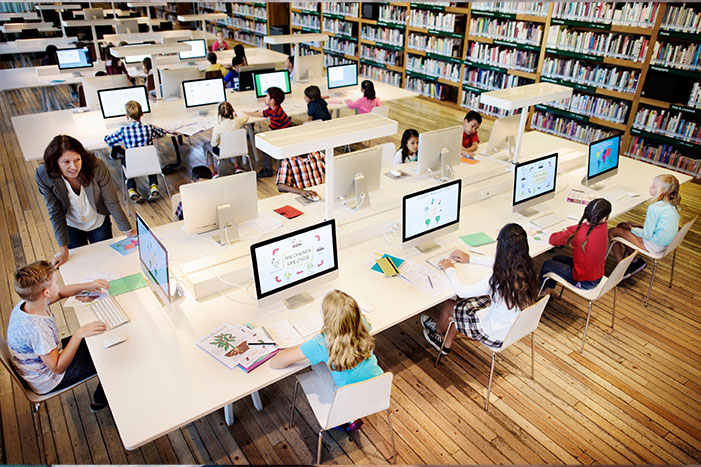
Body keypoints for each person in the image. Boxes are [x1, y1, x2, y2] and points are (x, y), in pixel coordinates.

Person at [270, 289, 382, 430]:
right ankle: (351, 416)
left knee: (317, 364)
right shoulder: (362, 325)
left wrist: (307, 345)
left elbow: (276, 363)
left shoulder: (322, 343)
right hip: (377, 390)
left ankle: (345, 420)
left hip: (346, 398)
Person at [421, 223, 539, 354]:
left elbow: (462, 291)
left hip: (493, 334)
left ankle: (438, 332)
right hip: (515, 327)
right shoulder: (528, 268)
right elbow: (502, 264)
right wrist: (471, 259)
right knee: (463, 304)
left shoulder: (498, 279)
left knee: (450, 305)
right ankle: (446, 344)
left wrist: (450, 269)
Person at [7, 260, 109, 411]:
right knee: (108, 358)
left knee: (99, 341)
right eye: (55, 281)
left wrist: (88, 285)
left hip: (45, 359)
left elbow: (60, 293)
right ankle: (99, 401)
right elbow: (57, 367)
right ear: (46, 293)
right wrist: (78, 334)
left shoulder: (29, 304)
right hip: (49, 378)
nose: (58, 284)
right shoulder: (38, 329)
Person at [36, 135, 135, 268]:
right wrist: (63, 250)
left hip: (98, 221)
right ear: (55, 162)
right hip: (71, 224)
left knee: (105, 262)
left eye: (77, 159)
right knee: (79, 265)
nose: (74, 167)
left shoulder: (97, 167)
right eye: (66, 162)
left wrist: (127, 232)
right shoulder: (43, 174)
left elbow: (111, 201)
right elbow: (55, 211)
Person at [608, 174, 681, 278]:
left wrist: (632, 229)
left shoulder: (654, 208)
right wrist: (638, 226)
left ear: (663, 192)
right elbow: (661, 226)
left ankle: (623, 270)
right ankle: (635, 260)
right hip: (664, 244)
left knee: (612, 232)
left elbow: (647, 234)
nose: (650, 187)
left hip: (653, 245)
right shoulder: (673, 206)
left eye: (654, 186)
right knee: (621, 226)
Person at [539, 198, 612, 295]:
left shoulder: (581, 237)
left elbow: (553, 240)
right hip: (596, 274)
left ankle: (539, 294)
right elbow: (582, 228)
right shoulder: (603, 227)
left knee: (547, 265)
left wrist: (566, 231)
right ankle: (547, 291)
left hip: (584, 281)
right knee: (557, 258)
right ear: (604, 218)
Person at [104, 100, 168, 203]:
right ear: (142, 114)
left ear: (126, 116)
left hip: (132, 165)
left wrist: (106, 136)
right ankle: (153, 186)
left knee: (125, 159)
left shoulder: (124, 130)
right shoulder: (148, 128)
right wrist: (156, 127)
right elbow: (163, 133)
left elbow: (109, 141)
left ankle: (132, 189)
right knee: (149, 156)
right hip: (149, 164)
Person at [245, 86, 291, 178]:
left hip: (282, 138)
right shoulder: (275, 109)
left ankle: (268, 169)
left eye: (266, 96)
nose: (264, 98)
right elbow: (262, 114)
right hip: (282, 134)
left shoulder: (276, 115)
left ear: (272, 100)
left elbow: (271, 131)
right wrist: (246, 113)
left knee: (263, 144)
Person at [203, 101, 249, 175]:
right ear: (232, 111)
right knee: (231, 143)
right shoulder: (237, 121)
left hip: (223, 151)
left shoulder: (218, 127)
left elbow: (213, 143)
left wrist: (219, 142)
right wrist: (236, 112)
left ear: (219, 114)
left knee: (205, 145)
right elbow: (246, 116)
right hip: (237, 148)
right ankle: (237, 166)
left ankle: (213, 172)